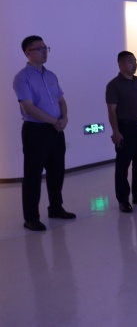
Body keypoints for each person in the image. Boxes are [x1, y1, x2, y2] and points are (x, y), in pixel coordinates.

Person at [13, 35, 76, 231]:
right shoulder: (22, 77)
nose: (44, 51)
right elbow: (29, 108)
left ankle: (56, 208)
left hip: (56, 130)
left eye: (45, 48)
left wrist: (64, 118)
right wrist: (54, 121)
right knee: (33, 175)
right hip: (35, 131)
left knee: (57, 171)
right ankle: (31, 218)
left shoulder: (51, 76)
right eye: (39, 48)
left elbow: (61, 101)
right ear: (27, 53)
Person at [106, 51, 137, 213]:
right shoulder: (114, 85)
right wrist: (116, 131)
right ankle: (123, 200)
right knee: (123, 166)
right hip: (126, 128)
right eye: (130, 62)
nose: (134, 65)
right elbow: (111, 111)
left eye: (135, 61)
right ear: (120, 64)